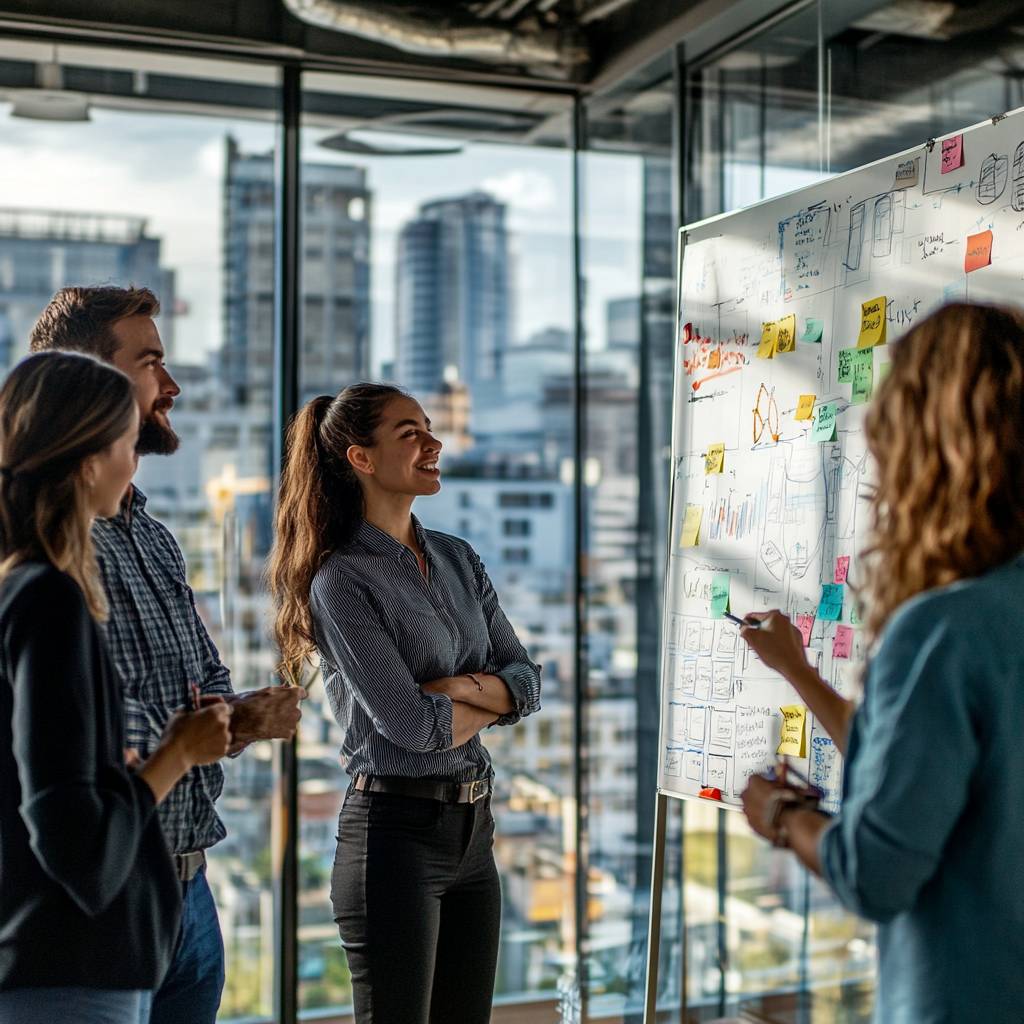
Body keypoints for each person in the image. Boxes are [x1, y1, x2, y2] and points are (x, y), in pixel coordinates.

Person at [736, 302, 1024, 1024]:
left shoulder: (945, 629)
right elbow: (931, 766)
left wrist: (783, 816)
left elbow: (876, 874)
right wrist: (801, 673)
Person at [29, 286, 306, 1024]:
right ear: (92, 381)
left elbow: (201, 684)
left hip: (187, 890)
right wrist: (195, 732)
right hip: (96, 904)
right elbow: (84, 733)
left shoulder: (154, 537)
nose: (172, 386)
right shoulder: (45, 562)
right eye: (151, 362)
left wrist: (234, 716)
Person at [269, 382, 542, 1024]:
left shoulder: (456, 555)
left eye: (429, 428)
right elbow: (414, 727)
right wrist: (490, 694)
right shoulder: (340, 580)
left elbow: (527, 678)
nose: (433, 442)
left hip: (475, 832)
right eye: (409, 433)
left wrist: (464, 693)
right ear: (361, 458)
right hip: (392, 837)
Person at [0, 351, 234, 1024]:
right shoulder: (50, 598)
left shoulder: (21, 587)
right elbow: (83, 851)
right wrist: (175, 755)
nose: (136, 467)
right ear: (88, 461)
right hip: (73, 969)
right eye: (128, 446)